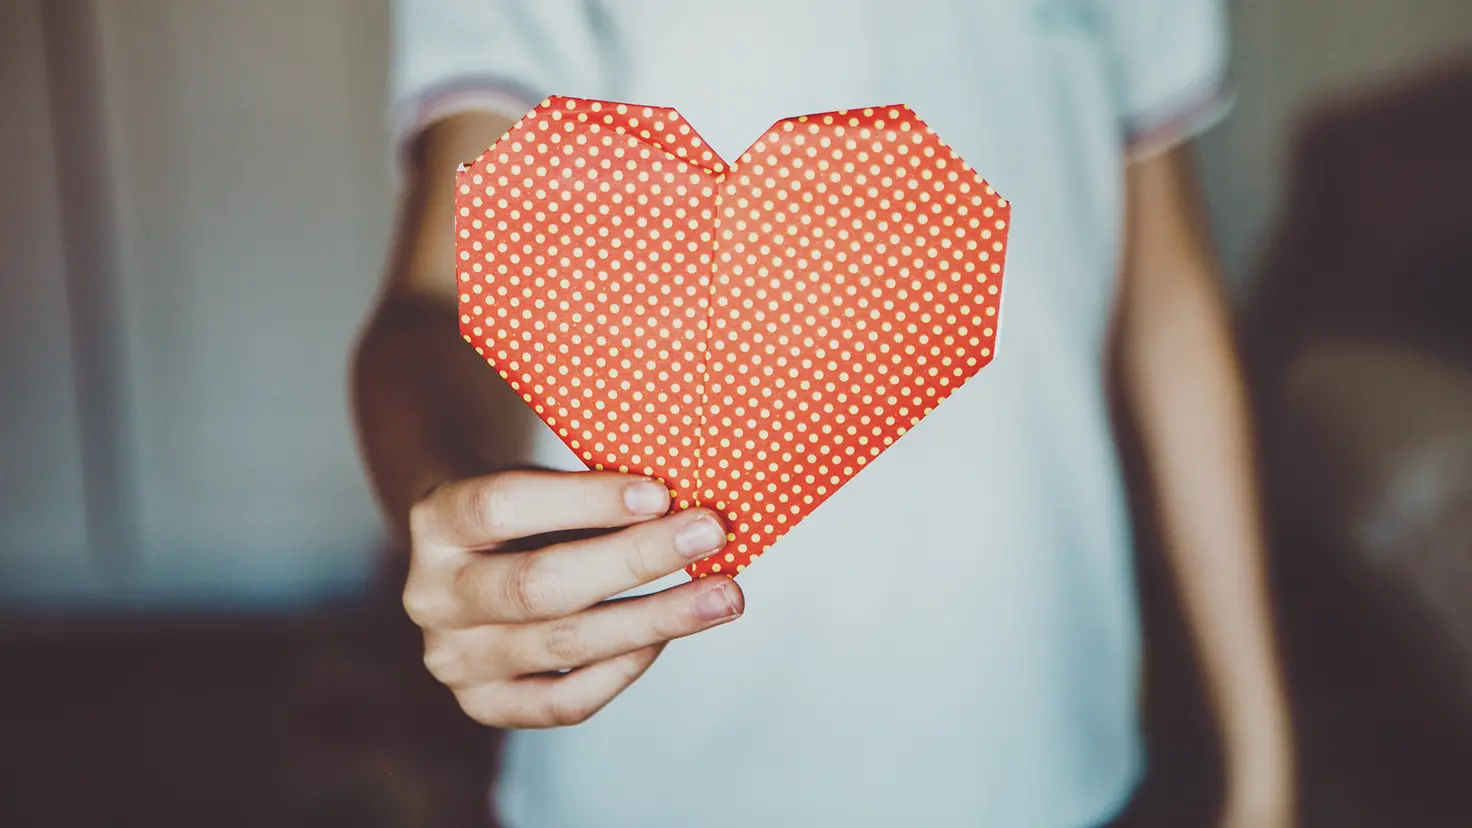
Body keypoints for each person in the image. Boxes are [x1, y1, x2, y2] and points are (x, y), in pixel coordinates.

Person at [353, 2, 1296, 826]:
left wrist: (1264, 766)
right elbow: (440, 301)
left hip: (1042, 732)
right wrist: (456, 519)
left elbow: (1170, 302)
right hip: (651, 756)